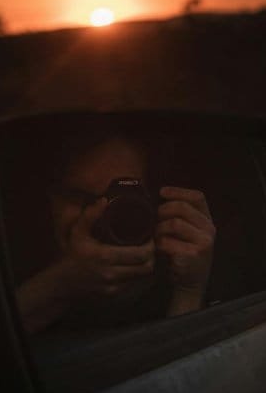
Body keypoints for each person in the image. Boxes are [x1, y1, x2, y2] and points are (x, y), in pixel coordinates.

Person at [14, 132, 216, 335]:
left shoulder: (170, 272)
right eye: (78, 196)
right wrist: (59, 285)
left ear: (158, 207)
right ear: (49, 200)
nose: (101, 214)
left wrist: (189, 290)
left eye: (122, 200)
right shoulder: (8, 265)